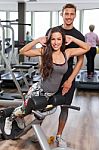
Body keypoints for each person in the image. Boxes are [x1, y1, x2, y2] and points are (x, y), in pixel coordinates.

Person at [4, 27, 90, 147]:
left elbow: (87, 47)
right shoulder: (44, 51)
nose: (56, 42)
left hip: (51, 94)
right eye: (53, 39)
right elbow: (23, 51)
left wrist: (72, 38)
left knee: (36, 113)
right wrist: (37, 40)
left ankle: (19, 118)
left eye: (59, 39)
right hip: (38, 91)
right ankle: (10, 119)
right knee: (25, 110)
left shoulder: (67, 53)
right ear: (49, 41)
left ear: (63, 40)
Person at [45, 3, 86, 147]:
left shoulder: (78, 36)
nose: (69, 16)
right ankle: (38, 132)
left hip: (67, 77)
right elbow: (44, 52)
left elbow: (80, 61)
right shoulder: (52, 31)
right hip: (50, 77)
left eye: (71, 14)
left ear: (75, 15)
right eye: (66, 13)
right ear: (61, 14)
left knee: (65, 107)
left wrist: (70, 80)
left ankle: (58, 136)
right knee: (42, 105)